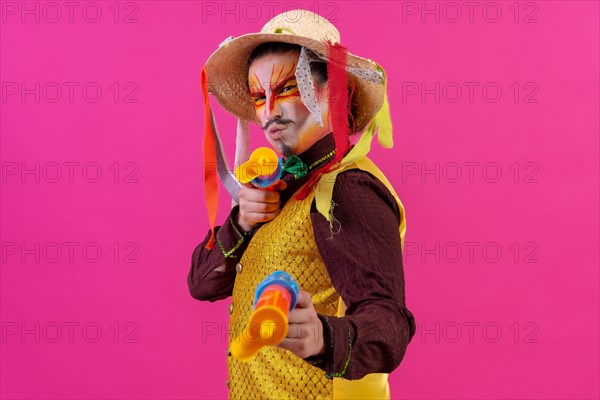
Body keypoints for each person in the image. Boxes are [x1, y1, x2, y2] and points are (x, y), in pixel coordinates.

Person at [189, 9, 416, 400]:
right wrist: (241, 222)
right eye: (259, 97)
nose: (269, 112)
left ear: (333, 89)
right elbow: (201, 284)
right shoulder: (278, 185)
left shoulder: (347, 187)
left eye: (287, 88)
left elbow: (391, 324)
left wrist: (323, 337)